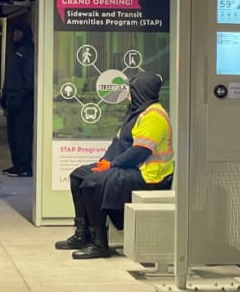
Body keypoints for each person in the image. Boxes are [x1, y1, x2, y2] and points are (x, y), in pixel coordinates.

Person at [54, 72, 174, 259]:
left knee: (93, 182)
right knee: (78, 175)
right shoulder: (136, 113)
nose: (128, 96)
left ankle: (99, 243)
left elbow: (140, 152)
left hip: (149, 175)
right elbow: (117, 143)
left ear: (142, 92)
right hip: (130, 167)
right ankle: (82, 234)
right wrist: (104, 161)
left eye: (131, 91)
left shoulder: (154, 115)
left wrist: (112, 165)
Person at [1, 20, 35, 177]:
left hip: (23, 101)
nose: (15, 35)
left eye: (18, 32)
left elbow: (29, 78)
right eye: (14, 32)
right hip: (13, 99)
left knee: (22, 135)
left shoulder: (28, 51)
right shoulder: (17, 51)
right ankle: (17, 165)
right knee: (13, 135)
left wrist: (20, 95)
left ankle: (24, 167)